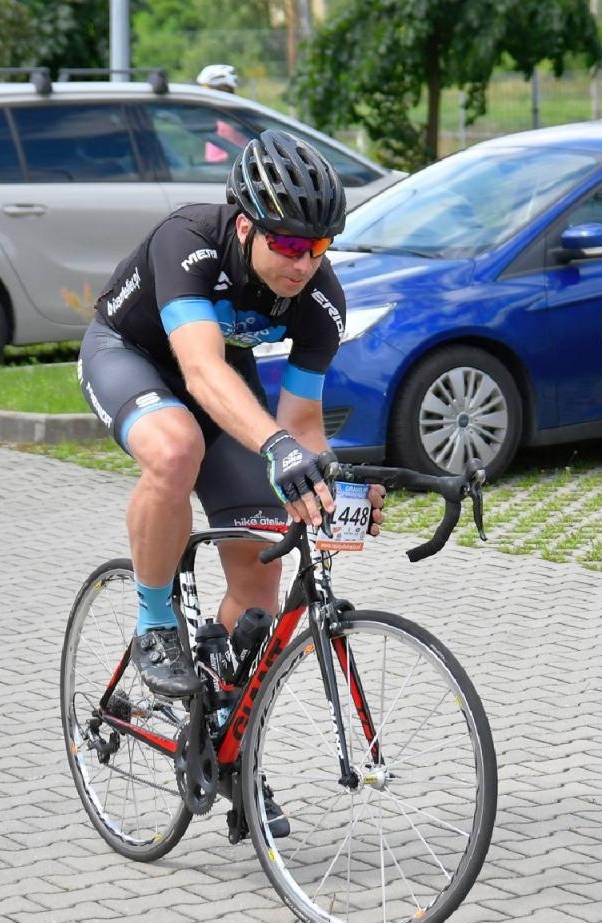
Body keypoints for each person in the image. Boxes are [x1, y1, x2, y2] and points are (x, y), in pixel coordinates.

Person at [78, 129, 381, 721]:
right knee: (175, 448)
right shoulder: (188, 239)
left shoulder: (320, 300)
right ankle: (155, 620)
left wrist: (334, 486)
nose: (304, 262)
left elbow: (300, 421)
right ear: (246, 226)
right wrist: (276, 446)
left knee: (259, 587)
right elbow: (198, 367)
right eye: (289, 243)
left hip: (220, 388)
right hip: (131, 357)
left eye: (320, 245)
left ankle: (222, 738)